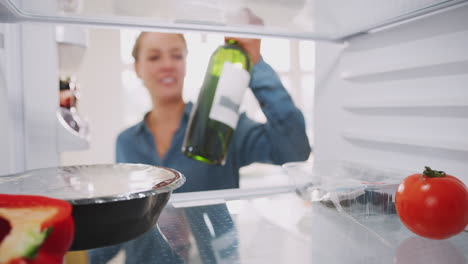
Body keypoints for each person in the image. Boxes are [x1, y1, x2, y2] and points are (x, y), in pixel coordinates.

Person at [88, 32, 311, 263]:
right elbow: (125, 221)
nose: (167, 65)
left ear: (185, 63)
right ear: (137, 68)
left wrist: (256, 63)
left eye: (176, 56)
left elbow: (293, 149)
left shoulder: (220, 125)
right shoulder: (126, 142)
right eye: (154, 57)